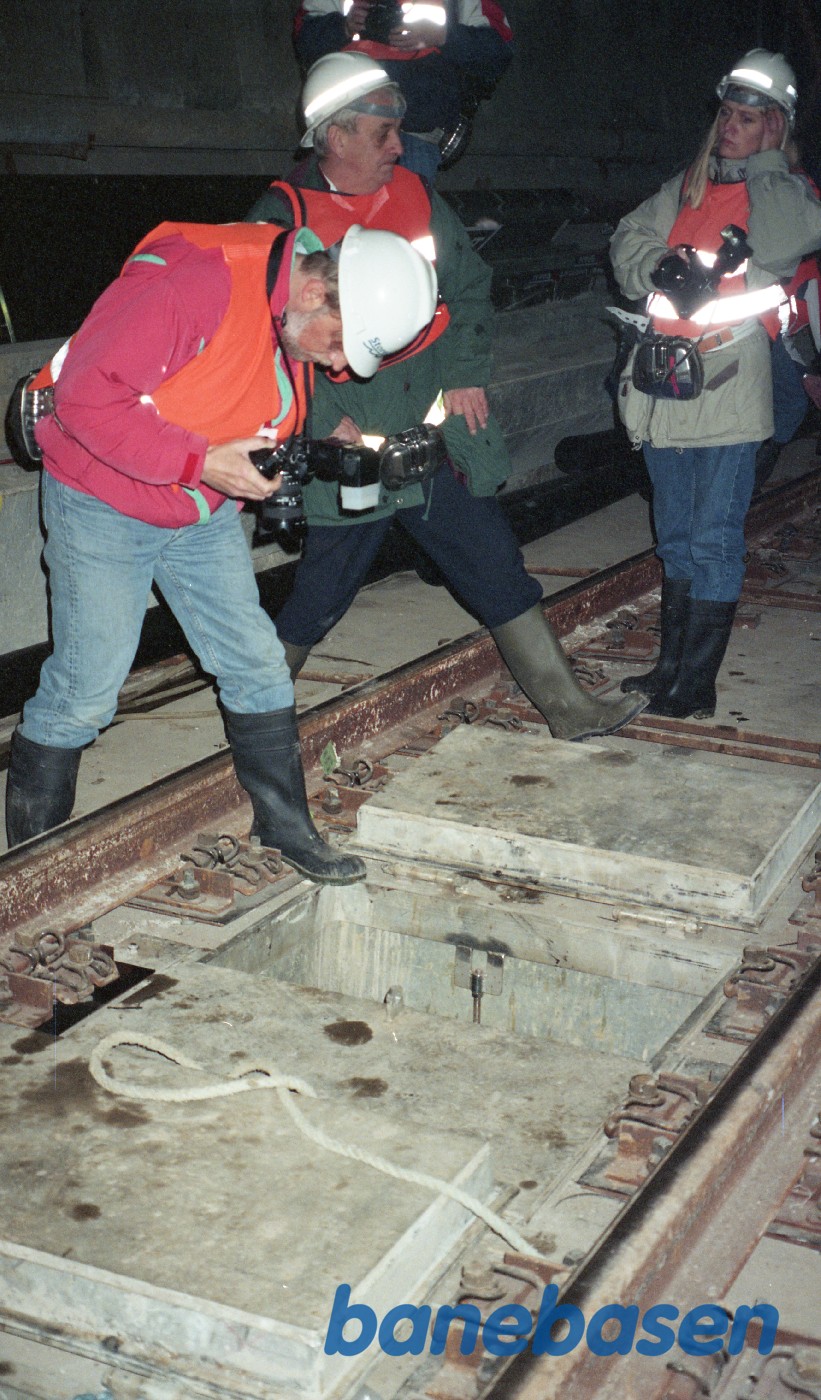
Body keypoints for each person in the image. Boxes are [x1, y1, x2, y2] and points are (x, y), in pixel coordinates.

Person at [5, 217, 437, 883]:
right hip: (102, 502)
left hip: (197, 510)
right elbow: (84, 400)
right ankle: (34, 872)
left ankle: (283, 824)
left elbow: (244, 392)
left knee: (257, 662)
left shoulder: (290, 304)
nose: (341, 366)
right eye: (342, 347)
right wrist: (200, 460)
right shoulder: (196, 283)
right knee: (85, 691)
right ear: (319, 292)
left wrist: (308, 449)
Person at [246, 52, 646, 743]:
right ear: (335, 136)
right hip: (353, 454)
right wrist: (320, 420)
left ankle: (568, 708)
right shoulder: (280, 218)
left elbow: (466, 289)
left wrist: (464, 370)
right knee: (318, 596)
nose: (400, 148)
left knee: (496, 569)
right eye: (384, 134)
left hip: (431, 446)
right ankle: (255, 725)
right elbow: (260, 339)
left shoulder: (417, 199)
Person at [610, 49, 821, 720]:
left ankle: (696, 684)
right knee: (674, 533)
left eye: (749, 118)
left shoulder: (783, 192)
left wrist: (767, 160)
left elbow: (788, 240)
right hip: (661, 387)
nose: (729, 126)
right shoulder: (688, 185)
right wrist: (659, 269)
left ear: (776, 126)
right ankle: (668, 669)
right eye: (727, 114)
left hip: (728, 390)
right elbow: (625, 237)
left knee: (713, 536)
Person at [292, 0, 513, 180]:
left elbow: (497, 52)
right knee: (337, 224)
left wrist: (442, 36)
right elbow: (305, 40)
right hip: (345, 135)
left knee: (407, 221)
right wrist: (343, 27)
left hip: (416, 138)